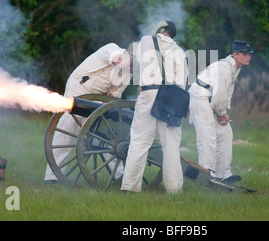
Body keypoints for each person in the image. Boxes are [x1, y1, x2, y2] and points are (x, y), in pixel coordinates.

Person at [44, 43, 132, 184]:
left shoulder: (126, 76)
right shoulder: (112, 49)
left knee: (107, 136)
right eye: (134, 64)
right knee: (66, 134)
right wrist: (130, 60)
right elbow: (118, 59)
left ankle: (119, 177)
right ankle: (52, 178)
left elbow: (112, 98)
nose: (132, 69)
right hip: (77, 90)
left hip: (96, 102)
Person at [120, 20, 188, 193]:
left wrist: (156, 28)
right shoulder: (180, 52)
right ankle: (174, 190)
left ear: (161, 30)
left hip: (149, 93)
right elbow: (183, 82)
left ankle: (129, 188)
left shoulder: (147, 41)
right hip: (172, 96)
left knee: (139, 142)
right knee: (171, 146)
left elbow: (147, 41)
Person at [188, 40, 253, 183]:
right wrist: (221, 113)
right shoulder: (224, 68)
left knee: (225, 132)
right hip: (200, 96)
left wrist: (222, 112)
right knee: (207, 136)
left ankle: (223, 174)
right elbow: (219, 96)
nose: (247, 56)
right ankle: (206, 174)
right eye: (244, 53)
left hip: (211, 100)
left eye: (249, 54)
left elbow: (226, 93)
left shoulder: (235, 67)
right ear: (235, 54)